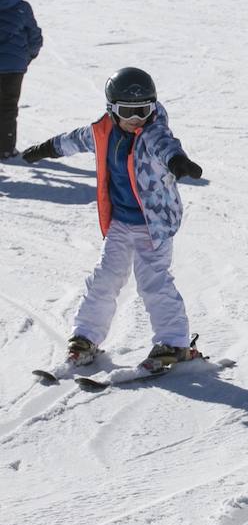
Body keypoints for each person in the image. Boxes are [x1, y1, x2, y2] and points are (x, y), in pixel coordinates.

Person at [20, 67, 204, 373]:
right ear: (112, 109)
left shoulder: (153, 133)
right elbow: (75, 139)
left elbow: (167, 147)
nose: (136, 118)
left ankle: (174, 344)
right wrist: (46, 149)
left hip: (153, 224)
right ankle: (85, 338)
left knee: (153, 281)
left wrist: (178, 162)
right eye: (127, 111)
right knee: (105, 278)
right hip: (120, 222)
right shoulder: (103, 132)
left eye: (143, 110)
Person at [0, 0, 41, 159]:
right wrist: (27, 57)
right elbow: (34, 37)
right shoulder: (22, 8)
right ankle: (5, 148)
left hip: (15, 64)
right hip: (14, 67)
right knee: (7, 106)